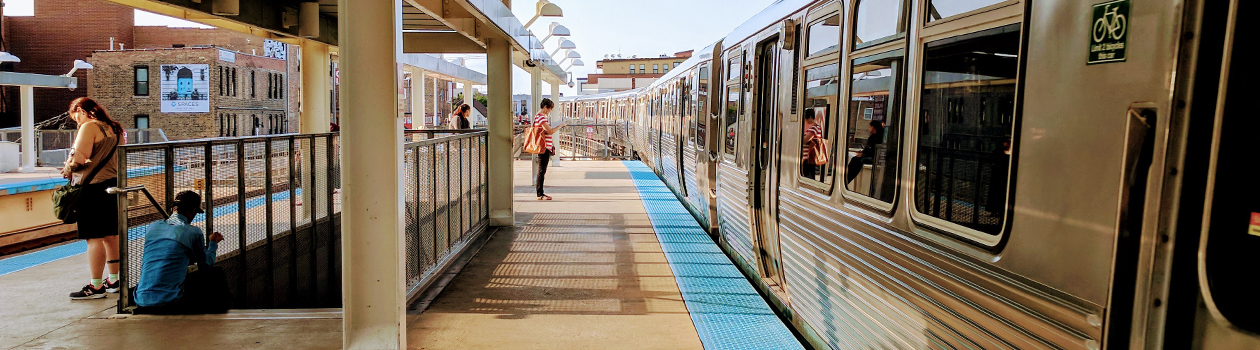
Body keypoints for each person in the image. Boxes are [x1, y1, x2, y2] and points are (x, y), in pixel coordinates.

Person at [63, 97, 124, 300]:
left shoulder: (89, 127)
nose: (77, 122)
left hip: (93, 188)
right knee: (111, 235)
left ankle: (96, 286)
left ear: (80, 110)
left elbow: (79, 159)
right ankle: (114, 280)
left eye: (76, 117)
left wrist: (68, 168)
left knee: (94, 238)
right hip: (114, 185)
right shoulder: (115, 128)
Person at [134, 191, 230, 314]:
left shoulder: (153, 227)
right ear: (191, 211)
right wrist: (213, 243)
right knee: (216, 273)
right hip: (169, 302)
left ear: (172, 209)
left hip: (141, 300)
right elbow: (206, 265)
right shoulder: (193, 232)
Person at [533, 98, 565, 200]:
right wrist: (559, 126)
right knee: (542, 170)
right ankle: (540, 194)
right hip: (544, 147)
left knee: (542, 170)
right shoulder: (541, 118)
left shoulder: (537, 117)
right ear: (546, 107)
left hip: (545, 146)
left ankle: (540, 193)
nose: (550, 111)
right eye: (550, 108)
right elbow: (550, 131)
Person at [845, 120, 885, 185]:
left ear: (873, 127)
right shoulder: (873, 137)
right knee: (855, 159)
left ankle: (848, 178)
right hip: (868, 155)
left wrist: (863, 155)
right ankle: (847, 177)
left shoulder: (876, 138)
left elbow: (872, 151)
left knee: (857, 160)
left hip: (873, 158)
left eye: (870, 127)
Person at [801, 110, 824, 179]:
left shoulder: (815, 128)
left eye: (806, 118)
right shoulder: (814, 127)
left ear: (810, 117)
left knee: (808, 177)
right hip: (807, 157)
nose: (805, 120)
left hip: (808, 157)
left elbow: (805, 140)